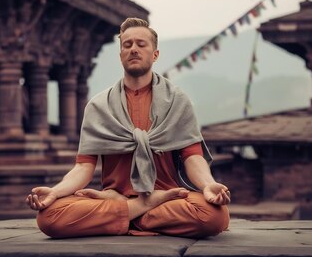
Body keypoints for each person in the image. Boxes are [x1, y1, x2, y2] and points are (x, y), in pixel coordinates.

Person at [26, 17, 230, 238]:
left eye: (141, 45)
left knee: (215, 216)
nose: (133, 49)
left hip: (167, 195)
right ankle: (141, 209)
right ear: (120, 54)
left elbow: (193, 157)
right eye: (127, 44)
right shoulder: (99, 106)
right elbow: (83, 167)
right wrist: (55, 192)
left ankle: (126, 213)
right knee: (49, 217)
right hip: (118, 195)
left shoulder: (177, 102)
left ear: (155, 55)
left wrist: (209, 184)